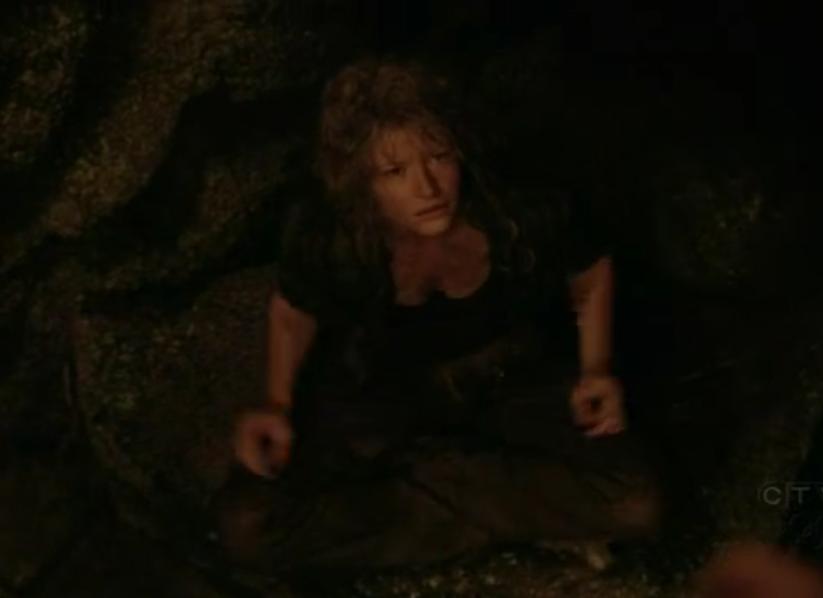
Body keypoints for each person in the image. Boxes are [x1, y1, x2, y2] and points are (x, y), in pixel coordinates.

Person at [211, 59, 661, 579]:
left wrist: (596, 367)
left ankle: (435, 496)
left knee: (637, 505)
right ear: (362, 182)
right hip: (383, 395)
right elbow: (293, 310)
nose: (427, 188)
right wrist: (276, 401)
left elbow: (590, 266)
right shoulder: (330, 234)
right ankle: (509, 509)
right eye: (395, 172)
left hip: (508, 380)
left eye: (439, 157)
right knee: (247, 527)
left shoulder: (516, 207)